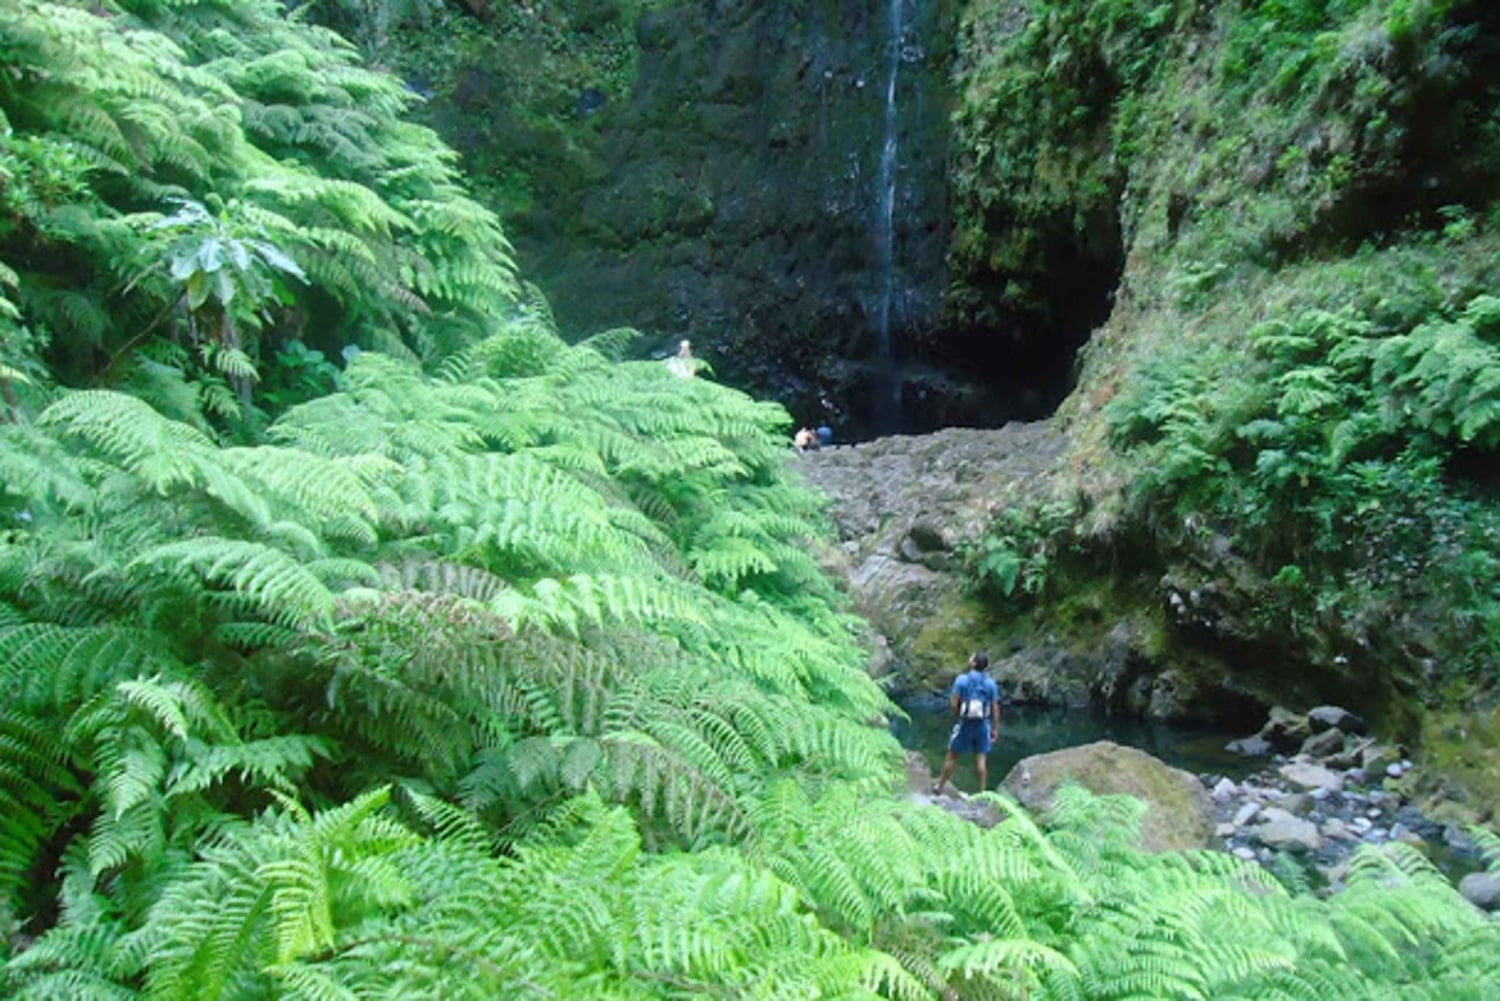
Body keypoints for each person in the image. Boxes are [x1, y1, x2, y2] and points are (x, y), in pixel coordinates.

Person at [932, 652, 1000, 796]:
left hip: (965, 724)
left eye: (972, 658)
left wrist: (957, 715)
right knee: (981, 760)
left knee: (951, 757)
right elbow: (995, 708)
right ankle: (983, 793)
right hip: (982, 725)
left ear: (974, 663)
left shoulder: (962, 680)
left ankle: (940, 787)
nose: (969, 659)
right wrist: (995, 728)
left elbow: (953, 702)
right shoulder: (990, 684)